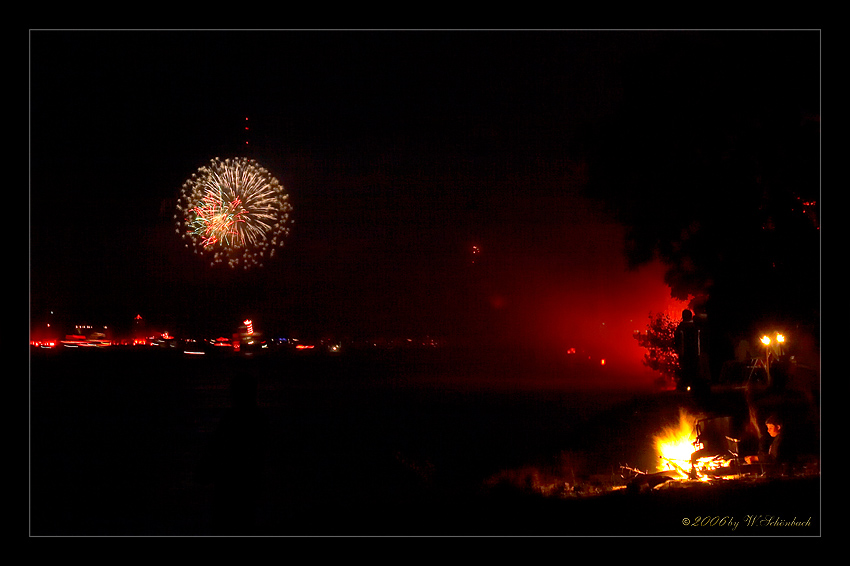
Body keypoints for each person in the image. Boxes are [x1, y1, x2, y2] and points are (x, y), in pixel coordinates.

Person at [675, 309, 700, 391]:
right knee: (695, 369)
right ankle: (695, 384)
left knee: (685, 368)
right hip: (695, 352)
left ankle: (685, 384)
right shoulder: (696, 326)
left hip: (684, 352)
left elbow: (677, 339)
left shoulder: (681, 327)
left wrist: (677, 349)